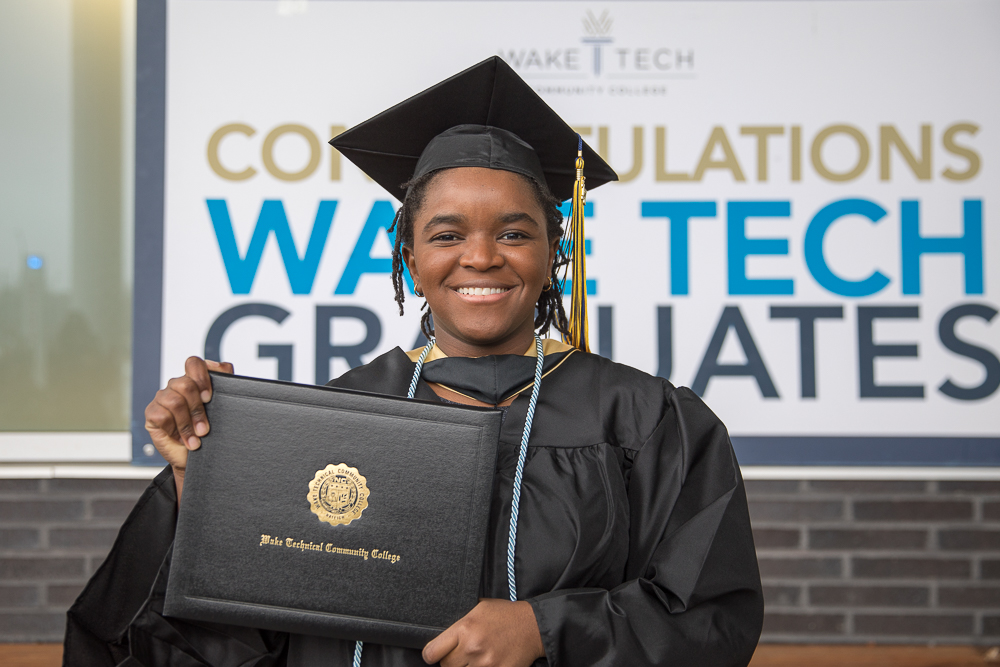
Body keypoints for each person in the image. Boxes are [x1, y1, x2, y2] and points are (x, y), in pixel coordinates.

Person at [64, 56, 763, 666]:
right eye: (447, 233)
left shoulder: (648, 422)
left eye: (515, 232)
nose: (481, 256)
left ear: (556, 254)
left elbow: (710, 618)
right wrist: (207, 490)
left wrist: (546, 629)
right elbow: (215, 644)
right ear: (410, 258)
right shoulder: (327, 422)